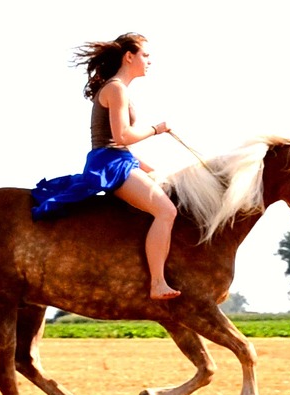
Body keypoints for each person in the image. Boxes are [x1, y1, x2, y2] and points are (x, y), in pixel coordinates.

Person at [31, 33, 180, 300]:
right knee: (166, 212)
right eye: (146, 55)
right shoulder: (116, 89)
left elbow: (120, 145)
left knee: (169, 190)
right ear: (129, 56)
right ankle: (157, 283)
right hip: (110, 164)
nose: (149, 61)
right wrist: (156, 129)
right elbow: (122, 136)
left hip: (118, 160)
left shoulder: (119, 89)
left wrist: (151, 168)